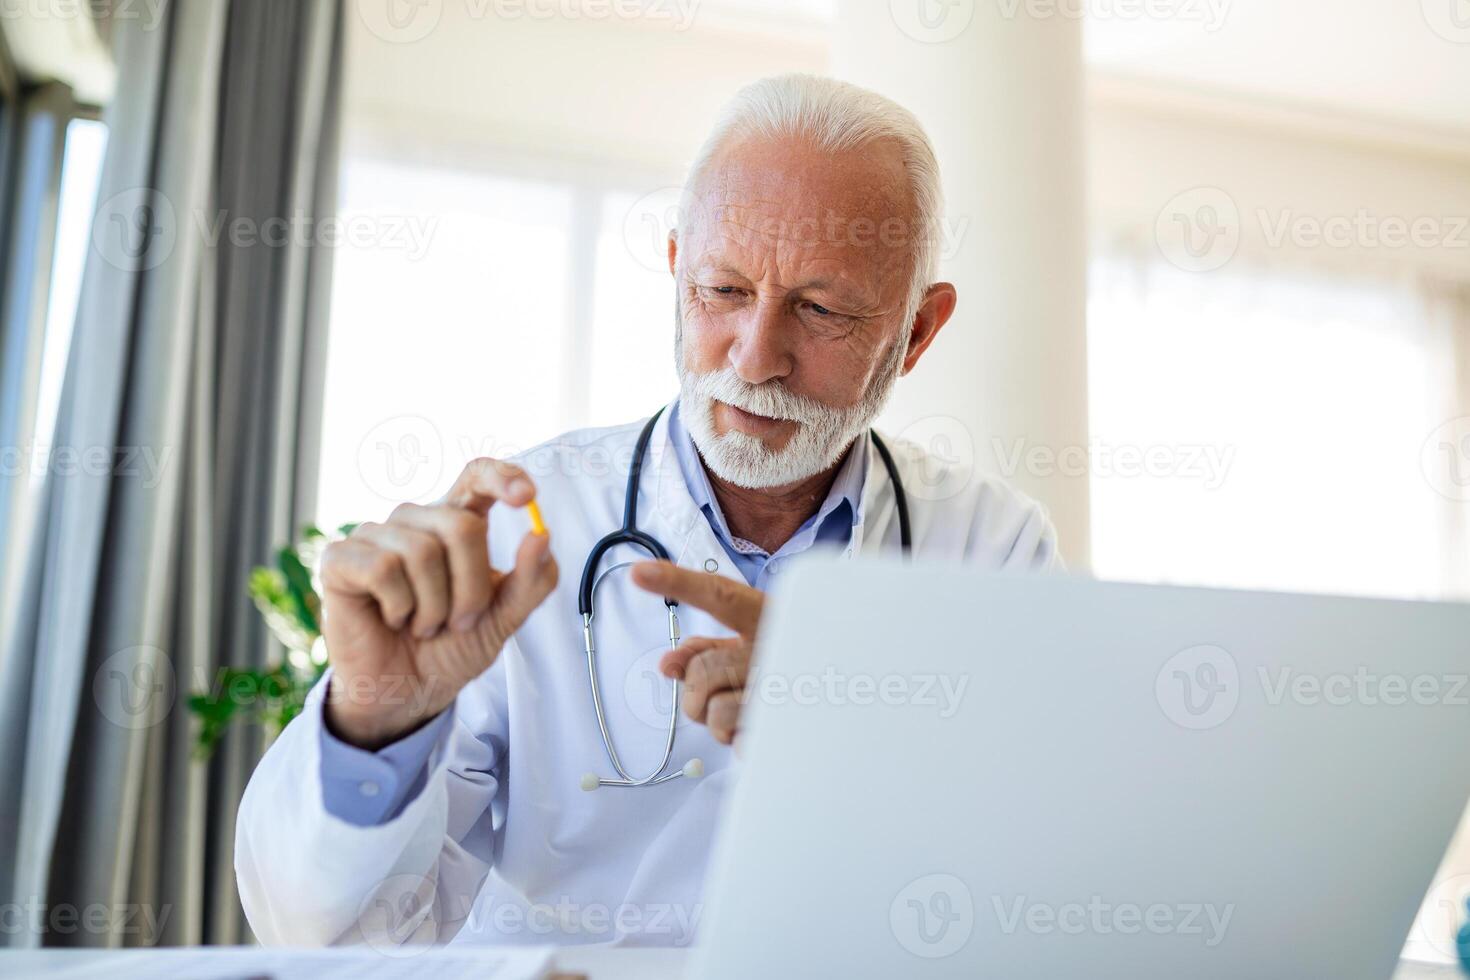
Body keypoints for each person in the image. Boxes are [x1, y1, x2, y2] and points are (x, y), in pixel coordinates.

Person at [235, 73, 1058, 948]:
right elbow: (326, 934)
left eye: (820, 310)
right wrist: (375, 719)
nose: (754, 358)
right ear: (675, 269)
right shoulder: (520, 525)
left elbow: (1034, 900)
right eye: (724, 290)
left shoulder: (991, 550)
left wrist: (853, 736)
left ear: (918, 333)